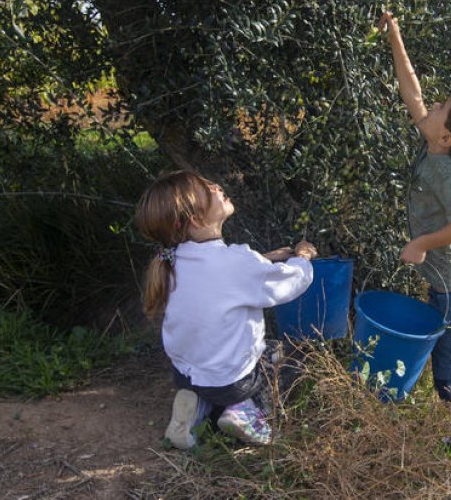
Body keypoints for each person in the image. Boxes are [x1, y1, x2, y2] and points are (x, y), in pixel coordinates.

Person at [378, 10, 451, 470]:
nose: (427, 109)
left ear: (445, 136)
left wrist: (423, 242)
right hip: (449, 290)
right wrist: (395, 33)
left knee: (449, 376)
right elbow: (410, 85)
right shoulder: (433, 142)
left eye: (438, 110)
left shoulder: (449, 172)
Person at [135, 170, 317, 450]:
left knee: (212, 374)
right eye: (208, 189)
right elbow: (289, 282)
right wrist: (303, 258)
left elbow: (223, 278)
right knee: (283, 356)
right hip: (231, 382)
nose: (217, 186)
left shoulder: (172, 262)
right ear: (196, 219)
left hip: (185, 373)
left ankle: (196, 406)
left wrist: (266, 259)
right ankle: (244, 411)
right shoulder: (236, 262)